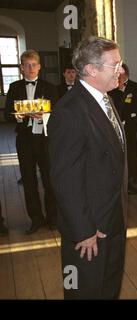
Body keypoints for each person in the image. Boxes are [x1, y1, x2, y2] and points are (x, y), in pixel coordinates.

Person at [47, 36, 127, 299]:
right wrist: (84, 231)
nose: (121, 70)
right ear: (92, 70)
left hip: (112, 216)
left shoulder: (105, 99)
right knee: (86, 291)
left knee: (109, 287)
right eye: (114, 65)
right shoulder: (69, 111)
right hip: (89, 229)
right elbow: (64, 178)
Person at [4, 49, 59, 234]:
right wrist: (20, 116)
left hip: (45, 139)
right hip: (25, 139)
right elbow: (7, 115)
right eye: (27, 65)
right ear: (21, 68)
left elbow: (58, 116)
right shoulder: (14, 87)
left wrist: (44, 115)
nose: (30, 68)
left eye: (34, 64)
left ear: (39, 67)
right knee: (28, 180)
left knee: (49, 179)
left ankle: (53, 217)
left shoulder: (50, 88)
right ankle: (36, 219)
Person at [108, 63, 137, 194]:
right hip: (115, 126)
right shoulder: (112, 89)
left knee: (131, 152)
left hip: (130, 126)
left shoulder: (135, 87)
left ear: (124, 74)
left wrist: (134, 120)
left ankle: (133, 180)